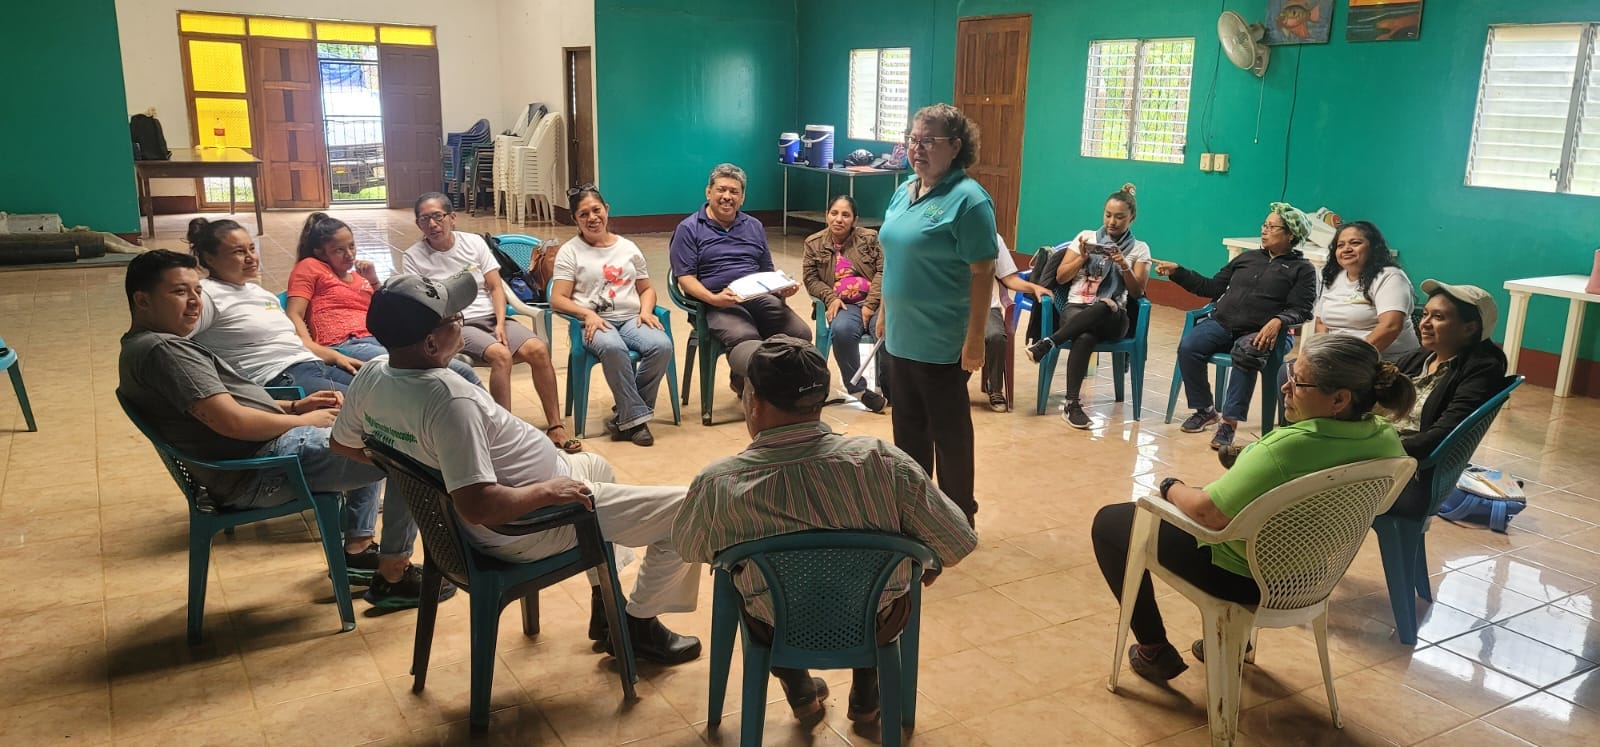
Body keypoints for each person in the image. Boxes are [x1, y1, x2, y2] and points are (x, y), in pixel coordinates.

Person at [330, 271, 703, 664]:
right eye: (455, 319)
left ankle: (607, 611)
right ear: (431, 342)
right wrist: (546, 492)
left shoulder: (374, 374)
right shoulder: (450, 402)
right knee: (686, 509)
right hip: (526, 524)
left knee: (595, 465)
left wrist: (411, 465)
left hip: (510, 506)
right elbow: (479, 506)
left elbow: (342, 442)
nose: (462, 322)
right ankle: (639, 627)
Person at [672, 336, 977, 721]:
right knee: (877, 593)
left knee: (754, 593)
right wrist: (922, 563)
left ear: (753, 403)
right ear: (820, 401)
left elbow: (689, 547)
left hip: (775, 624)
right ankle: (867, 690)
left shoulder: (718, 483)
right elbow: (957, 541)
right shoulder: (882, 461)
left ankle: (798, 686)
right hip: (875, 621)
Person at [117, 250, 440, 607]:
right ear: (142, 300)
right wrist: (302, 420)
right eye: (180, 292)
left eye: (197, 291)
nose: (194, 302)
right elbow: (231, 421)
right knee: (405, 451)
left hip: (263, 452)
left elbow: (221, 406)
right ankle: (392, 574)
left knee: (370, 426)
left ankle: (359, 550)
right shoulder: (164, 352)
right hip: (263, 468)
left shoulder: (150, 344)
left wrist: (294, 405)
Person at [1090, 334, 1414, 682]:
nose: (1286, 387)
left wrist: (1171, 487)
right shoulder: (1384, 437)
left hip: (1249, 579)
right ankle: (1235, 640)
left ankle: (1153, 649)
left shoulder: (1287, 447)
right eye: (1291, 374)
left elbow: (1207, 514)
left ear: (1339, 398)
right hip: (1311, 575)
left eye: (1299, 383)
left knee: (1112, 523)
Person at [877, 103, 997, 527]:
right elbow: (893, 257)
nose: (917, 148)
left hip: (944, 339)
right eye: (913, 139)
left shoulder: (969, 200)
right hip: (902, 334)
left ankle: (959, 514)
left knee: (947, 432)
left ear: (956, 147)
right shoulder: (904, 188)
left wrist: (975, 338)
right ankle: (915, 508)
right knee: (907, 425)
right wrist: (884, 310)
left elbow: (983, 273)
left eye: (929, 141)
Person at [402, 192, 581, 453]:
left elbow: (496, 287)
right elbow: (420, 304)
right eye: (424, 219)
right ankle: (503, 432)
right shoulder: (413, 257)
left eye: (438, 216)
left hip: (491, 318)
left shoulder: (473, 243)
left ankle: (555, 427)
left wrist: (500, 323)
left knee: (539, 349)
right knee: (500, 355)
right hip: (455, 325)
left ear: (452, 218)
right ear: (418, 224)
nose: (432, 224)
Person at [1153, 202, 1318, 450]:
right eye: (1264, 225)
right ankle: (1205, 410)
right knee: (1189, 347)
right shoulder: (1247, 258)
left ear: (1290, 234)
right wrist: (1178, 272)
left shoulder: (1302, 269)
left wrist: (1278, 321)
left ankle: (1229, 424)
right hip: (1224, 323)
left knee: (1246, 354)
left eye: (1272, 226)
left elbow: (1303, 309)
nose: (1264, 230)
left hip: (1265, 333)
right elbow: (1210, 287)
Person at [285, 212, 482, 385]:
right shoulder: (310, 266)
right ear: (320, 252)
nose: (349, 254)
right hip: (346, 342)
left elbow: (385, 308)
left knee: (457, 371)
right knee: (454, 372)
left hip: (381, 338)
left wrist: (373, 280)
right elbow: (294, 313)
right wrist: (311, 346)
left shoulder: (358, 276)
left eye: (352, 246)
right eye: (339, 250)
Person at [549, 185, 673, 446]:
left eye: (596, 210)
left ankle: (627, 416)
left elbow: (646, 288)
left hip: (630, 318)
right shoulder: (570, 251)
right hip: (594, 323)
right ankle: (636, 421)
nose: (592, 218)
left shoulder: (628, 247)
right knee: (613, 348)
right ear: (575, 219)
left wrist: (647, 310)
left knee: (661, 346)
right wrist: (586, 314)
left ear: (607, 210)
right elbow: (557, 298)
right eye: (583, 214)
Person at [1025, 184, 1151, 428]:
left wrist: (1123, 265)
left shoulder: (1140, 248)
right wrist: (1082, 257)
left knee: (1107, 304)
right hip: (1076, 308)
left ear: (1132, 218)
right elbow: (1061, 278)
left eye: (1120, 217)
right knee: (1084, 336)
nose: (1112, 221)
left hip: (1114, 318)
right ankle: (1072, 404)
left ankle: (1049, 343)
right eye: (1108, 215)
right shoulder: (1086, 237)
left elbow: (1137, 292)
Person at [185, 218, 354, 394]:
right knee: (368, 406)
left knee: (381, 389)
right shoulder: (206, 295)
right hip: (279, 378)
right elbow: (175, 340)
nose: (251, 258)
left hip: (313, 364)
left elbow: (294, 340)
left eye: (251, 249)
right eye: (239, 252)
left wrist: (337, 357)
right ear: (210, 258)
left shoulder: (260, 293)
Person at [1386, 280, 1507, 517]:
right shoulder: (1421, 358)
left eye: (1439, 317)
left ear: (1469, 328)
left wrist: (1374, 449)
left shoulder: (1481, 370)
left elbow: (1444, 434)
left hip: (1406, 470)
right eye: (1425, 314)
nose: (1425, 323)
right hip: (1385, 452)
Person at [669, 163, 811, 364]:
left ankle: (775, 392)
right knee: (746, 341)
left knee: (799, 334)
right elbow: (685, 278)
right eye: (721, 189)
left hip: (757, 297)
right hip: (716, 302)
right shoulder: (689, 228)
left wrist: (781, 288)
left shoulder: (754, 226)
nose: (727, 196)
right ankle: (753, 390)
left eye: (734, 192)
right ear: (708, 192)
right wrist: (714, 298)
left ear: (742, 198)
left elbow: (767, 271)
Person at [800, 194, 888, 412]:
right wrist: (831, 298)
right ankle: (857, 389)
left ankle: (891, 387)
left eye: (845, 215)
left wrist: (871, 304)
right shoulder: (814, 243)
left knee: (886, 332)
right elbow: (811, 279)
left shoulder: (869, 238)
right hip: (844, 305)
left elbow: (884, 270)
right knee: (842, 330)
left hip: (876, 302)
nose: (838, 219)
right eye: (834, 213)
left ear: (855, 220)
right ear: (826, 216)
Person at [1312, 221, 1420, 361]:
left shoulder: (1389, 276)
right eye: (1340, 245)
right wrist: (1321, 355)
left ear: (1373, 248)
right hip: (1338, 359)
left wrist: (1351, 360)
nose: (1346, 249)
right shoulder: (1333, 276)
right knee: (1289, 372)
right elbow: (1321, 323)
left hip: (1383, 361)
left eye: (1355, 243)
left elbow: (1390, 326)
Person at [982, 234, 1052, 412]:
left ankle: (995, 387)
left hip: (985, 307)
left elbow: (1009, 278)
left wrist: (1034, 287)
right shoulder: (941, 232)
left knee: (997, 336)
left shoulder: (993, 238)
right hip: (949, 307)